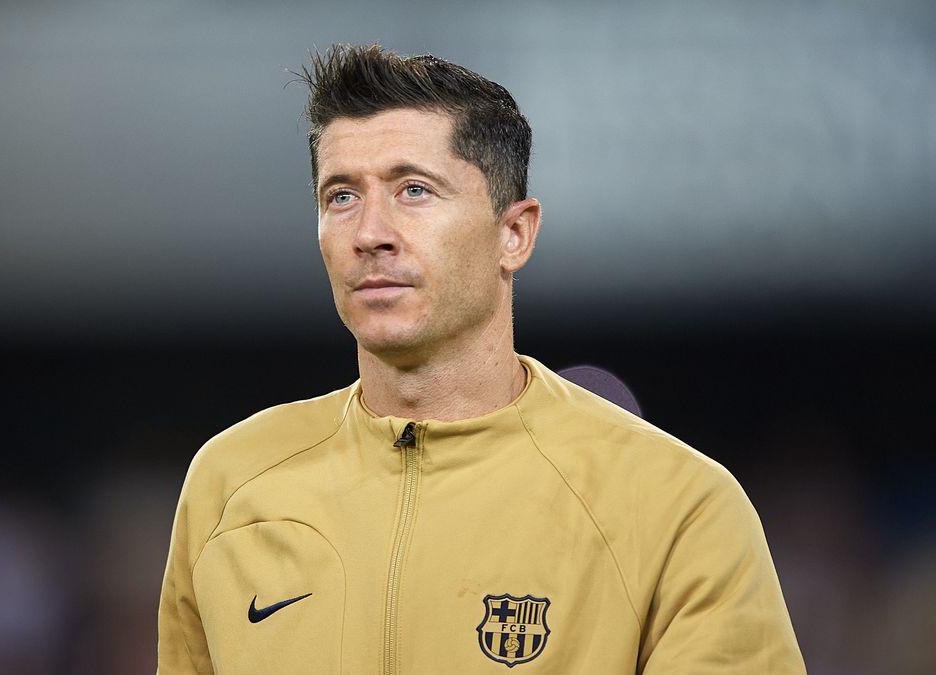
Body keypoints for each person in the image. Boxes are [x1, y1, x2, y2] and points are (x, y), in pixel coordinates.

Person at [157, 44, 805, 674]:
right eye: (342, 196)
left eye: (414, 190)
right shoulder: (230, 482)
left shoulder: (674, 504)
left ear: (514, 233)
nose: (370, 233)